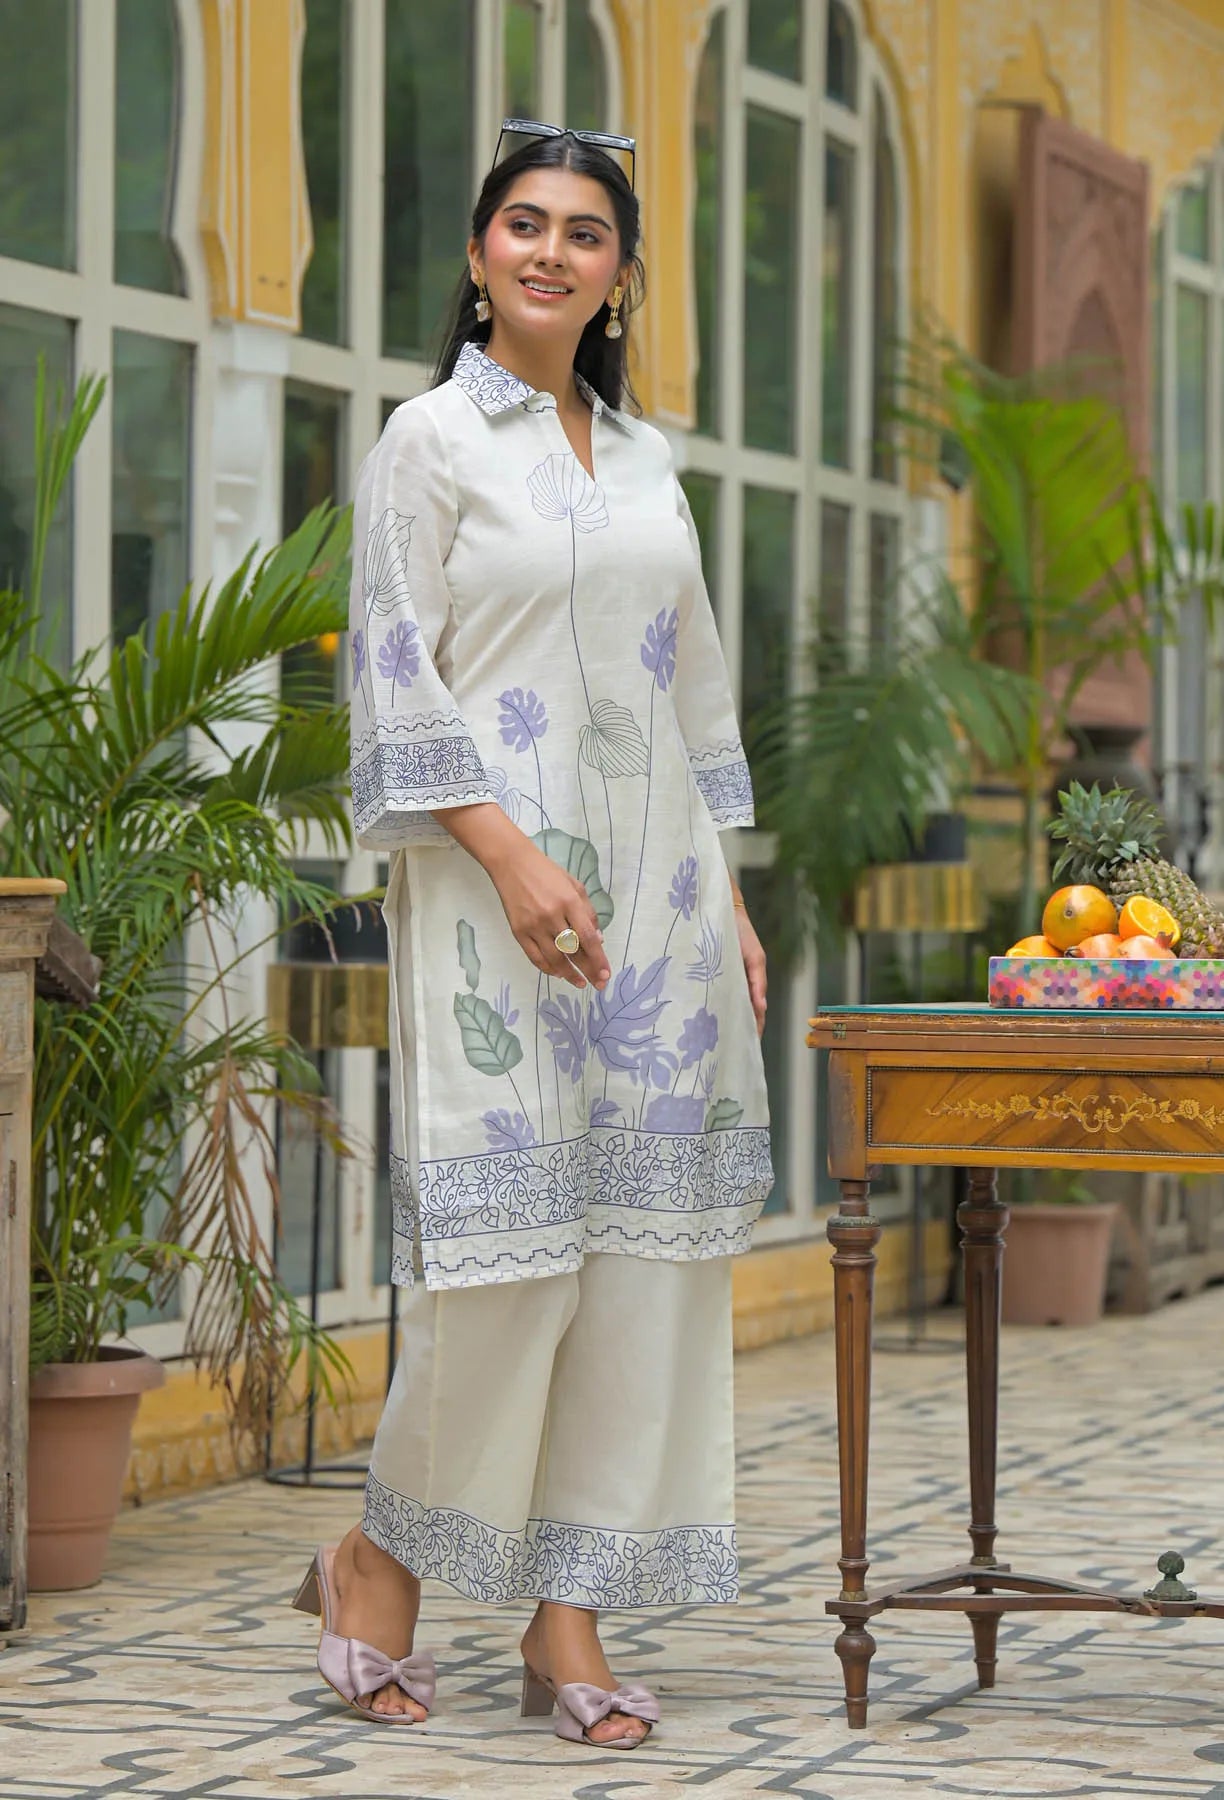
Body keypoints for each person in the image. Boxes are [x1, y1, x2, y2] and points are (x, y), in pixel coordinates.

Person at [293, 119, 774, 1752]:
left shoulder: (647, 460)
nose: (552, 251)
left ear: (623, 272)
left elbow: (689, 681)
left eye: (585, 232)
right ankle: (380, 1559)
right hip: (499, 908)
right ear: (479, 257)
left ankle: (568, 1617)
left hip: (664, 918)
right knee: (499, 1276)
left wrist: (735, 897)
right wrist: (502, 857)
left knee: (641, 1271)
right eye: (523, 224)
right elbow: (391, 676)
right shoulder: (428, 439)